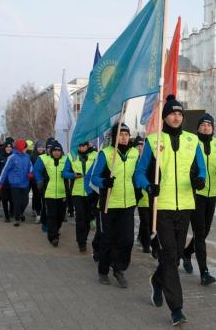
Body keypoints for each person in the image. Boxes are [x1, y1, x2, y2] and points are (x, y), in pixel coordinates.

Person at [135, 95, 207, 326]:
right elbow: (139, 173)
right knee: (169, 254)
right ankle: (177, 309)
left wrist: (200, 181)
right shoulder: (153, 141)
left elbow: (202, 170)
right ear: (165, 117)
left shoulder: (192, 141)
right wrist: (148, 186)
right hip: (163, 206)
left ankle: (157, 280)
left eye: (179, 113)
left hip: (185, 206)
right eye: (172, 113)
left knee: (173, 258)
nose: (176, 117)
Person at [180, 113, 216, 285]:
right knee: (199, 232)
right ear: (198, 128)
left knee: (204, 233)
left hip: (212, 194)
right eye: (203, 125)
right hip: (195, 193)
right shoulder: (191, 142)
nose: (206, 127)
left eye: (209, 125)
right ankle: (204, 272)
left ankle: (187, 252)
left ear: (213, 128)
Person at [91, 123, 138, 287]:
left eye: (126, 134)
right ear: (114, 137)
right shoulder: (105, 153)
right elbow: (93, 177)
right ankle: (103, 271)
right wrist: (104, 181)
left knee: (127, 240)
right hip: (108, 204)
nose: (124, 137)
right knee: (107, 240)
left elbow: (137, 175)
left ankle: (119, 268)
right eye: (120, 134)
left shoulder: (134, 153)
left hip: (128, 203)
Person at [63, 141, 98, 252]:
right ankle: (81, 242)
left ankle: (85, 238)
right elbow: (64, 173)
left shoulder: (95, 155)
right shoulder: (71, 155)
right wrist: (73, 175)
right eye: (80, 145)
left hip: (91, 191)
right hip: (77, 192)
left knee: (88, 218)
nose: (82, 147)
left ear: (88, 146)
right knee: (80, 218)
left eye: (84, 145)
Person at [34, 141, 67, 246]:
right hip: (49, 192)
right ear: (51, 151)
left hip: (63, 193)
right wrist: (39, 180)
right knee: (52, 215)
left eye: (59, 150)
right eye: (55, 150)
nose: (57, 152)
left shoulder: (66, 160)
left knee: (60, 216)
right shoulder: (44, 158)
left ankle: (55, 230)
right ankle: (53, 237)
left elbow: (72, 170)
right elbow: (36, 170)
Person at [0, 139, 33, 226]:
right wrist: (0, 183)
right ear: (21, 147)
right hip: (15, 183)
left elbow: (31, 166)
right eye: (25, 147)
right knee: (16, 202)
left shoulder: (27, 156)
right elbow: (5, 170)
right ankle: (17, 218)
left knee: (25, 202)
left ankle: (20, 213)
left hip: (25, 183)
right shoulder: (12, 157)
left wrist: (31, 173)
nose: (26, 149)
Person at [134, 136, 152, 254]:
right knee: (145, 221)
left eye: (142, 145)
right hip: (139, 195)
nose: (140, 148)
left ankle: (142, 236)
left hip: (150, 195)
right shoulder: (132, 159)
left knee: (148, 221)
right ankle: (147, 245)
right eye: (138, 146)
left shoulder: (149, 159)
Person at [0, 142, 14, 221]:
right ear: (4, 148)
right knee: (4, 199)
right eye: (7, 147)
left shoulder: (14, 157)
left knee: (12, 199)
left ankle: (11, 212)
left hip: (13, 182)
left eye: (10, 147)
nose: (9, 148)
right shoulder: (0, 157)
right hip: (3, 182)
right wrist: (0, 173)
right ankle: (7, 216)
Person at [30, 141, 46, 222]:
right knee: (37, 197)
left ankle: (43, 214)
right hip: (35, 180)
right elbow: (30, 168)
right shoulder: (32, 156)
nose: (40, 148)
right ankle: (38, 213)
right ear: (36, 148)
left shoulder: (46, 156)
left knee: (44, 198)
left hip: (44, 180)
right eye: (39, 147)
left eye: (42, 147)